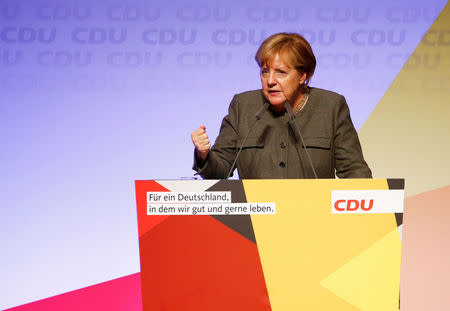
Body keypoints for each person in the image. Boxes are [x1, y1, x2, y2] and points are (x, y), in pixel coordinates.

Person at [191, 32, 372, 179]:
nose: (270, 81)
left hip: (315, 218)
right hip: (255, 219)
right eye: (265, 71)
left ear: (303, 76)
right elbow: (220, 171)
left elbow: (354, 172)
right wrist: (204, 154)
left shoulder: (331, 106)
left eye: (281, 72)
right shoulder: (242, 106)